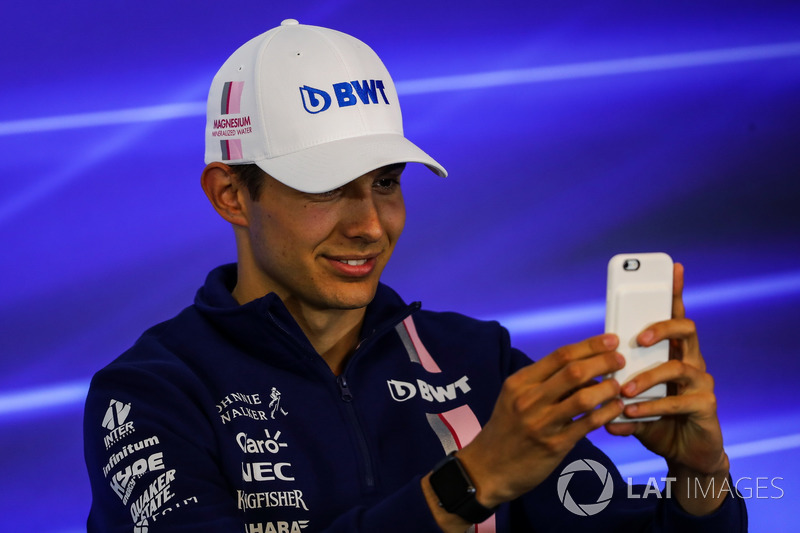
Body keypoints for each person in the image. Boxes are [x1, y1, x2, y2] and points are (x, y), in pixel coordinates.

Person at [83, 19, 747, 532]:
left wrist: (701, 475)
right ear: (230, 194)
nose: (371, 224)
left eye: (386, 182)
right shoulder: (146, 397)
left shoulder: (481, 361)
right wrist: (468, 482)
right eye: (327, 188)